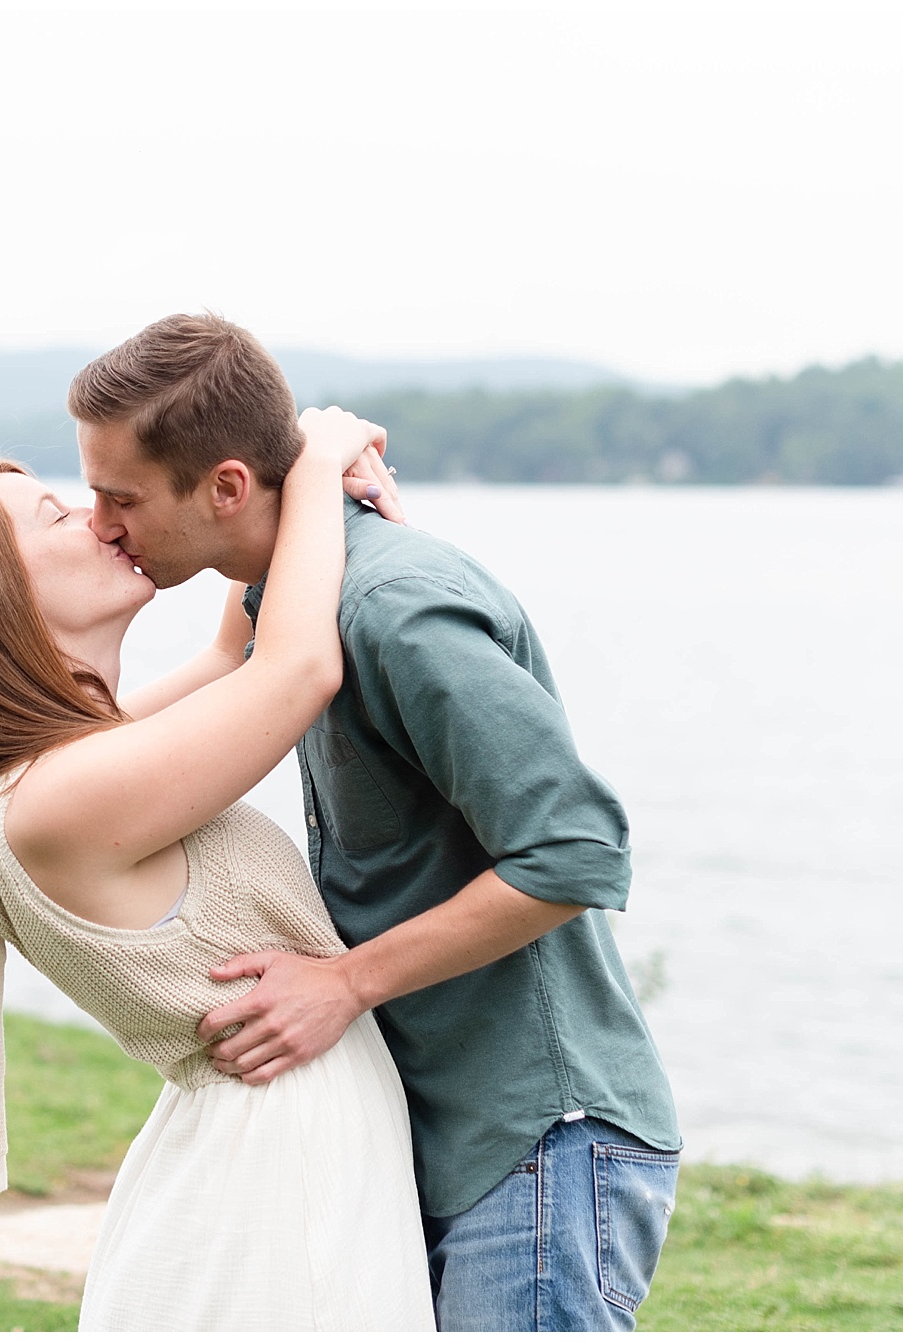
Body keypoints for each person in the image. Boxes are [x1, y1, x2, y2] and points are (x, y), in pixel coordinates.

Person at [70, 314, 681, 1331]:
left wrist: (343, 982)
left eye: (118, 496)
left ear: (225, 487)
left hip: (534, 1132)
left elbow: (576, 848)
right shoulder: (285, 605)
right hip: (450, 1130)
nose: (99, 523)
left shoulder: (392, 611)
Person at [0, 396, 433, 1330]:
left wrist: (263, 467)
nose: (101, 519)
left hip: (275, 1157)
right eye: (60, 515)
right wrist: (317, 465)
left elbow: (238, 649)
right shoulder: (56, 801)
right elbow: (294, 672)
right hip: (274, 1180)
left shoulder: (84, 764)